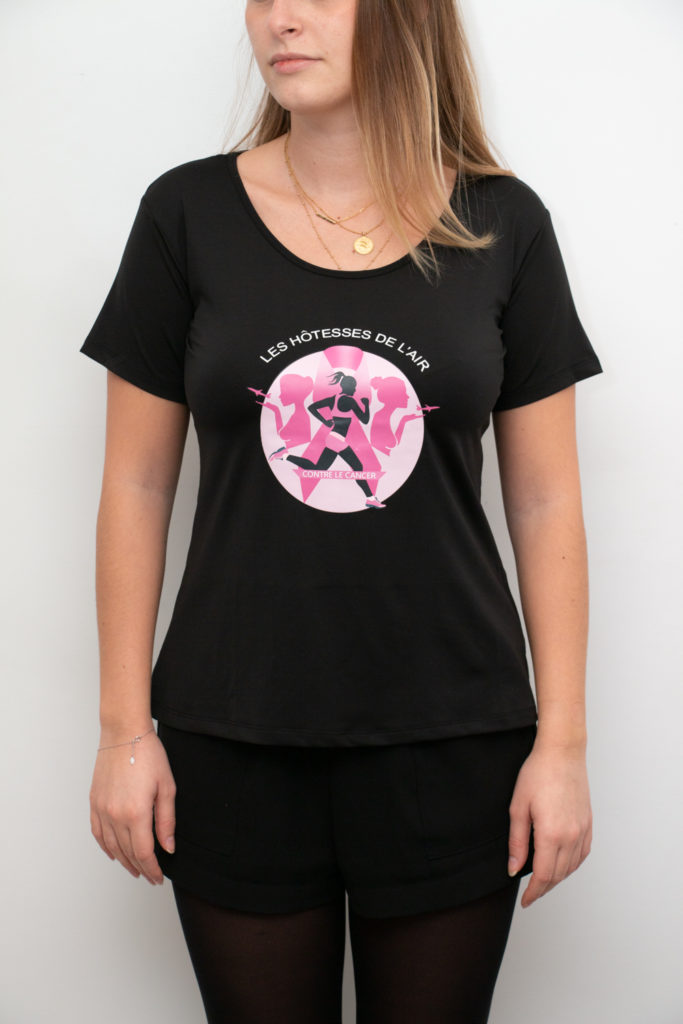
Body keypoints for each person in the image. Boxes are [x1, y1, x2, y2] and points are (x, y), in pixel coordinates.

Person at [82, 1, 603, 1021]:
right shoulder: (185, 214)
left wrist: (564, 747)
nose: (280, 18)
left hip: (455, 739)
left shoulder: (502, 223)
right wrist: (121, 732)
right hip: (231, 736)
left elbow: (546, 501)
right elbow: (136, 485)